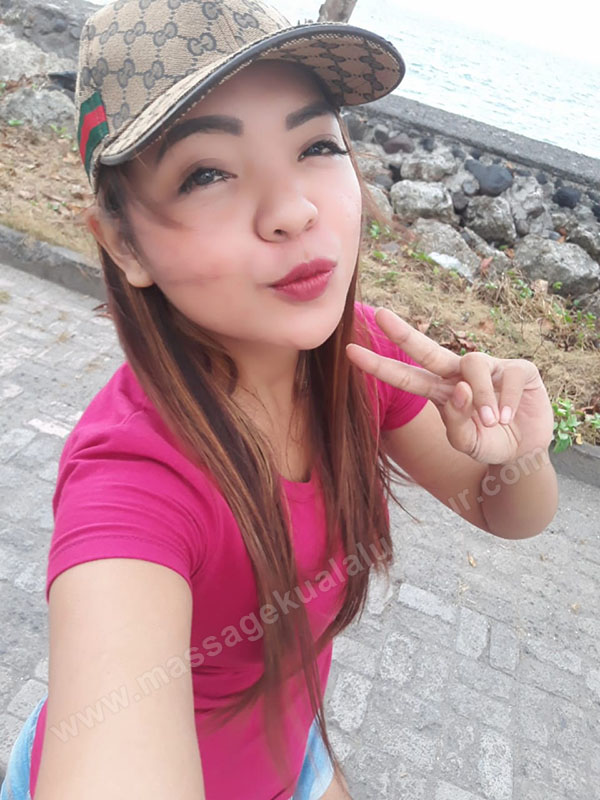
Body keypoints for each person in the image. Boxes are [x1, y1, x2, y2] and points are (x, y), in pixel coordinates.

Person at [0, 0, 559, 798]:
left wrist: (522, 449)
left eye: (316, 146)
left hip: (297, 757)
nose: (294, 210)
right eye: (207, 174)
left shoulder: (362, 355)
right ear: (124, 243)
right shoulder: (132, 480)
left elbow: (507, 512)